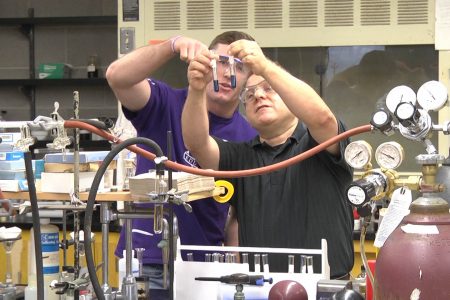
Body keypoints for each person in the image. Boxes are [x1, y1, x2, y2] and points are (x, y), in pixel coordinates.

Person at [182, 40, 354, 279]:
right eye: (249, 94)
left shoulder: (319, 144)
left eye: (268, 88)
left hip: (326, 288)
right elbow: (197, 143)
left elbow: (323, 119)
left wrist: (264, 67)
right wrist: (197, 89)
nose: (258, 96)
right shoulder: (241, 157)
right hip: (261, 289)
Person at [105, 31, 258, 291]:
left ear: (247, 78)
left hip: (206, 264)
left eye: (239, 66)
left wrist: (234, 272)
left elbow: (239, 214)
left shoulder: (249, 136)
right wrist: (171, 45)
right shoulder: (164, 103)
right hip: (148, 259)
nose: (226, 72)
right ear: (205, 61)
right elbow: (117, 77)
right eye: (220, 61)